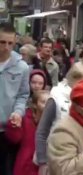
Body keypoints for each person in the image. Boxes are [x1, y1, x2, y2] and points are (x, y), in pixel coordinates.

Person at [35, 62, 83, 174]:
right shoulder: (56, 97)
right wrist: (42, 162)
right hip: (55, 156)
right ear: (73, 79)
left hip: (79, 157)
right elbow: (42, 131)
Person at [0, 22, 30, 175]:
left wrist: (18, 112)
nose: (6, 47)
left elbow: (23, 95)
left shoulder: (22, 67)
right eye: (2, 42)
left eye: (10, 43)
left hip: (7, 130)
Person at [5, 90, 50, 175]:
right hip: (25, 165)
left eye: (49, 102)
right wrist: (13, 125)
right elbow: (14, 139)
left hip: (43, 165)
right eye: (44, 102)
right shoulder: (25, 118)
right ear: (35, 105)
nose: (47, 106)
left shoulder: (54, 121)